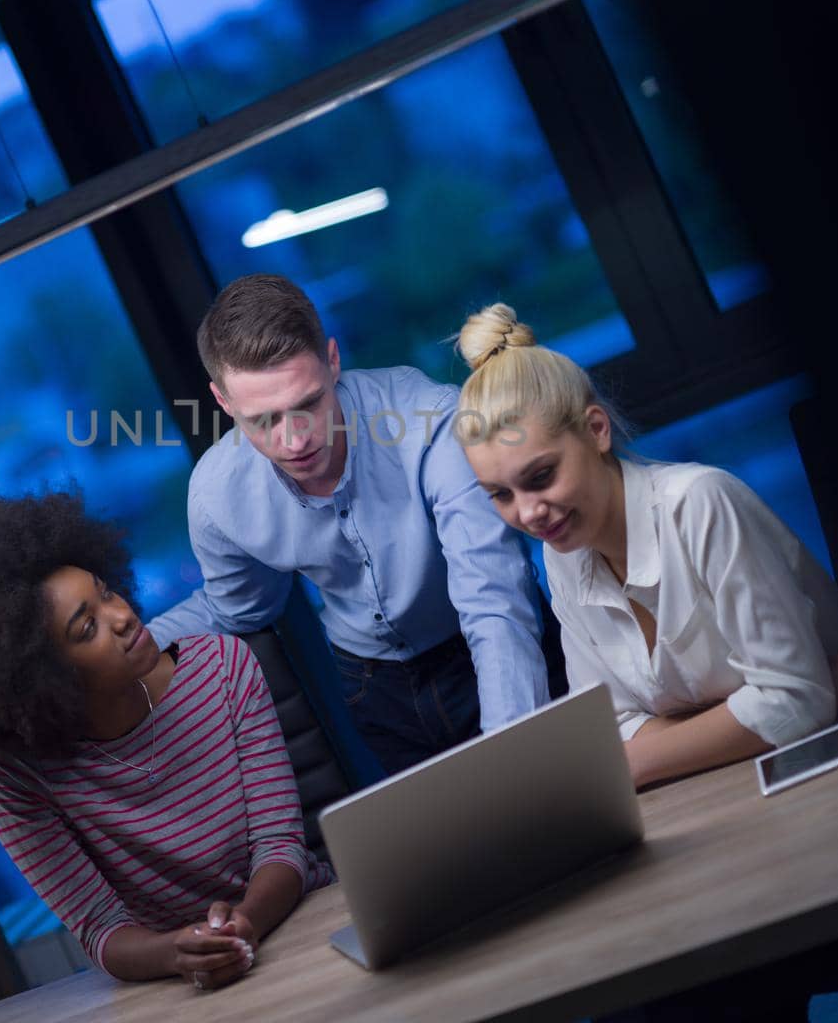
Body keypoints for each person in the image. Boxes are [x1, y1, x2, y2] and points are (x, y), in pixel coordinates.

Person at [0, 490, 333, 990]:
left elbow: (281, 846)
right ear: (42, 675)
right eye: (87, 628)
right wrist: (179, 952)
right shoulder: (10, 774)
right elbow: (102, 930)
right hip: (174, 986)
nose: (121, 617)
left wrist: (243, 924)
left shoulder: (223, 668)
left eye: (106, 592)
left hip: (302, 926)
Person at [453, 304, 838, 790]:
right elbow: (614, 729)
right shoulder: (562, 555)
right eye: (501, 495)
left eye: (541, 476)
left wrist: (633, 762)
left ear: (596, 430)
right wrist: (762, 711)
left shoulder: (700, 502)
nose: (528, 513)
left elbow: (795, 701)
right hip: (735, 784)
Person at [144, 274, 553, 774]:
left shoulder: (432, 421)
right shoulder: (217, 495)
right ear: (224, 403)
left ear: (333, 361)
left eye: (308, 404)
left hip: (488, 648)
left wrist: (517, 759)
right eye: (263, 420)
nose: (294, 441)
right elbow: (237, 609)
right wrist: (119, 654)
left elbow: (495, 603)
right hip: (373, 690)